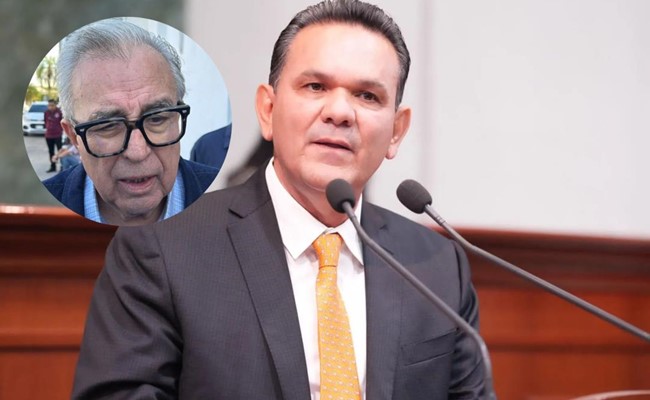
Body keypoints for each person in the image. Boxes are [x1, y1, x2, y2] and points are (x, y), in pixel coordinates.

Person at [73, 1, 487, 399]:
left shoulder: (437, 268)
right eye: (315, 86)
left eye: (367, 96)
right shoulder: (160, 250)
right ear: (267, 110)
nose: (340, 112)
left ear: (396, 131)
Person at [42, 19, 220, 226]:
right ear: (73, 136)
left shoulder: (227, 196)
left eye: (157, 118)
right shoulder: (33, 219)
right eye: (108, 125)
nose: (137, 152)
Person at [44, 99, 63, 173]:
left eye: (52, 105)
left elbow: (62, 122)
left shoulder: (59, 112)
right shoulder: (46, 112)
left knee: (60, 151)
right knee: (51, 152)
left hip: (58, 135)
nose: (50, 107)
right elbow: (45, 122)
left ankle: (62, 166)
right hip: (49, 135)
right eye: (49, 105)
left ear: (55, 105)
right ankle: (53, 166)